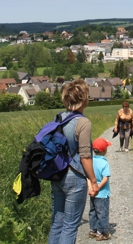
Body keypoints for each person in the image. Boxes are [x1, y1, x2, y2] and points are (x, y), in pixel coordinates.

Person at [48, 79, 100, 244]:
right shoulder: (83, 122)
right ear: (83, 99)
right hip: (74, 177)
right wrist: (93, 181)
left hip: (57, 174)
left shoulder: (59, 117)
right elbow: (85, 156)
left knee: (57, 222)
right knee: (70, 226)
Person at [88, 137, 112, 241]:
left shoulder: (90, 162)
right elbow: (105, 178)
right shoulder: (104, 163)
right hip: (102, 193)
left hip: (92, 192)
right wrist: (97, 188)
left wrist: (91, 189)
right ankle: (102, 232)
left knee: (93, 211)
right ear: (104, 150)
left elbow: (88, 177)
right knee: (102, 212)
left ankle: (93, 230)